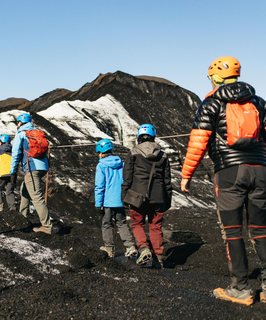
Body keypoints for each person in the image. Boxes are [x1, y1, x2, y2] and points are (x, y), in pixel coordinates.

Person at [181, 56, 266, 305]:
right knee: (261, 231)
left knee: (233, 232)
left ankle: (240, 289)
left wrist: (187, 175)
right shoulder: (258, 102)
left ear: (215, 77)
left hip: (229, 173)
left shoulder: (211, 103)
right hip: (260, 170)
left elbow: (198, 142)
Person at [122, 124, 172, 268]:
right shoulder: (163, 155)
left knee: (137, 223)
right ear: (153, 137)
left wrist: (124, 195)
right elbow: (167, 180)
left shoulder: (133, 153)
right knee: (155, 226)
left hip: (138, 196)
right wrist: (167, 199)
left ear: (139, 137)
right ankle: (159, 256)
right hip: (159, 197)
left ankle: (144, 248)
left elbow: (127, 177)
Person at [10, 113, 55, 234]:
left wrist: (13, 173)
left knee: (37, 197)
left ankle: (47, 226)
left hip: (32, 168)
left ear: (20, 123)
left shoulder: (21, 134)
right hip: (42, 167)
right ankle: (23, 217)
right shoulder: (38, 133)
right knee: (24, 190)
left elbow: (15, 155)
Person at [95, 139, 138, 258]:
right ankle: (130, 247)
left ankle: (109, 248)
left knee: (107, 224)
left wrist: (98, 204)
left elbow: (100, 185)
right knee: (122, 223)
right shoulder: (121, 163)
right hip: (120, 200)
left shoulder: (101, 165)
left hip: (108, 201)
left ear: (100, 152)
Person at [0, 134, 16, 211]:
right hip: (11, 174)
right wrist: (15, 175)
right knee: (10, 191)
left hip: (1, 174)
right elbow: (17, 163)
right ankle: (12, 207)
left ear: (1, 142)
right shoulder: (14, 151)